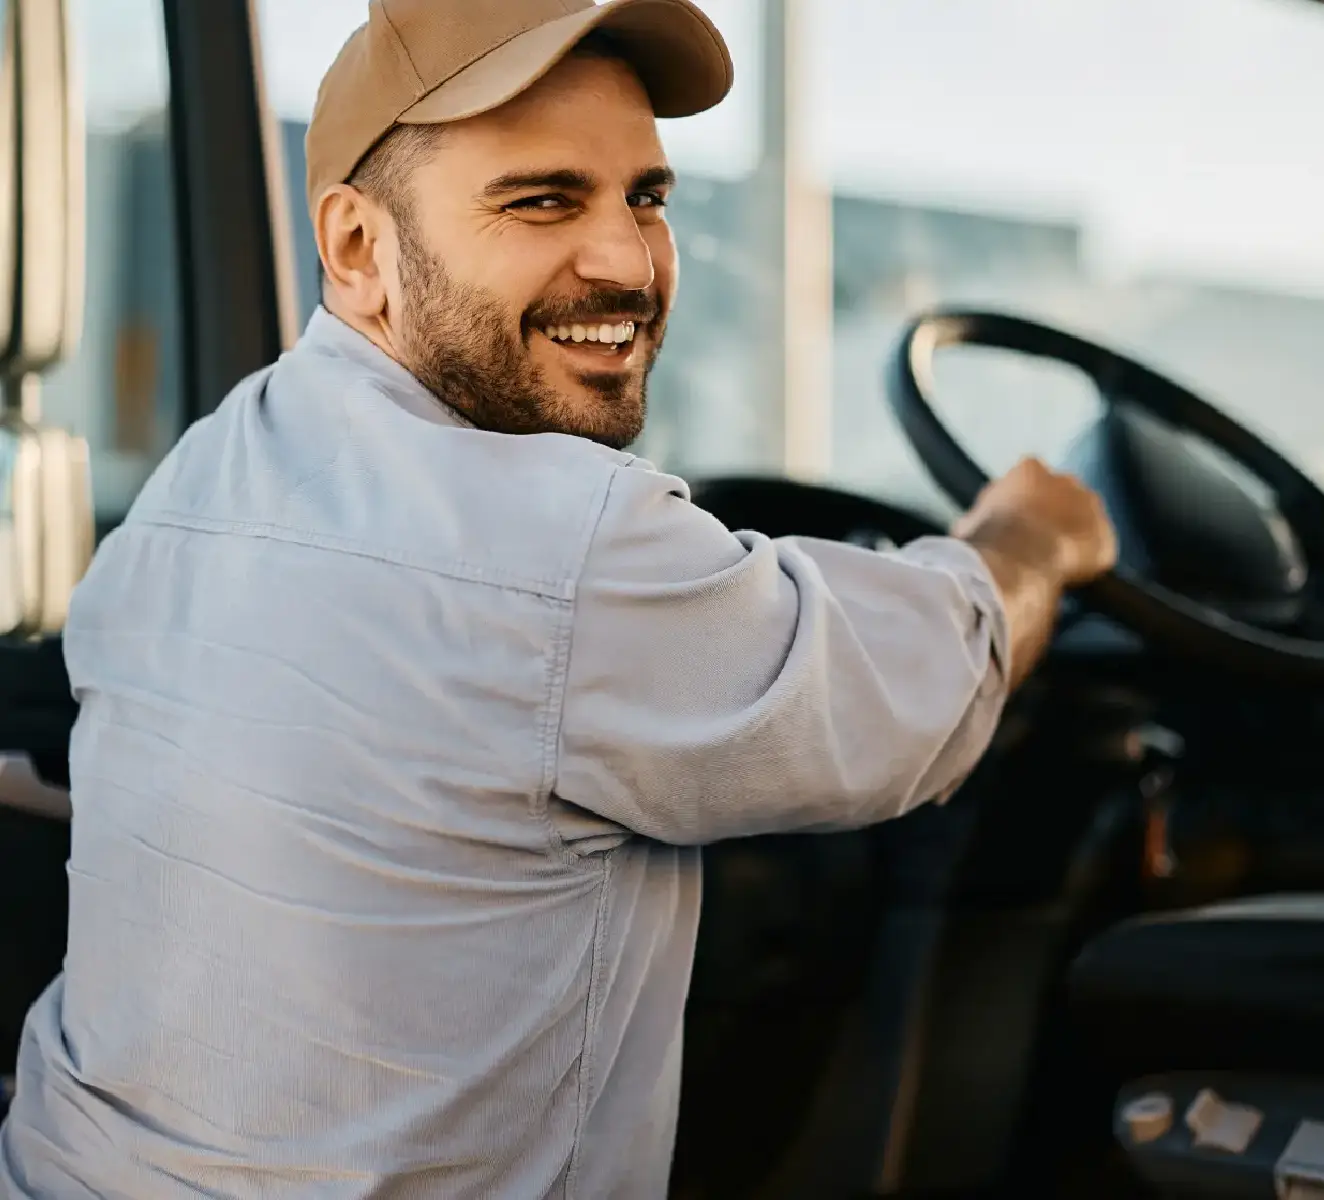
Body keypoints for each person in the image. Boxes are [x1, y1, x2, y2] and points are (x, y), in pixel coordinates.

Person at [0, 0, 1116, 1196]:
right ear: (359, 246)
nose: (629, 263)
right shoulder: (558, 547)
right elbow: (911, 698)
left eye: (646, 197)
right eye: (540, 201)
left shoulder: (197, 484)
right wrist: (1025, 543)